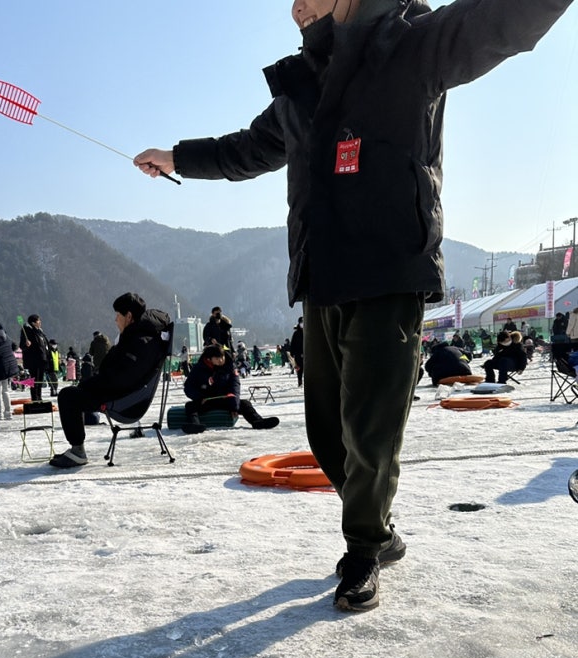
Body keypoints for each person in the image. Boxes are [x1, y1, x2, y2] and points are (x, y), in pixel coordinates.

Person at [134, 0, 573, 612]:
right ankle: (381, 530)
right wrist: (177, 157)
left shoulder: (411, 45)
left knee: (371, 426)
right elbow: (245, 150)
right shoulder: (300, 87)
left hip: (390, 266)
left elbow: (495, 23)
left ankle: (362, 547)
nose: (295, 7)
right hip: (322, 274)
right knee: (326, 432)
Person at [50, 293, 171, 469]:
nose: (115, 320)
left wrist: (91, 384)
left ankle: (77, 452)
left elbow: (121, 378)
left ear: (129, 316)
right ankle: (76, 449)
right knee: (74, 392)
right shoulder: (138, 337)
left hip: (124, 400)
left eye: (118, 315)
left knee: (68, 396)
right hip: (123, 393)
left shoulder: (139, 342)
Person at [181, 344, 280, 434]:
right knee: (190, 406)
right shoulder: (198, 368)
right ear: (209, 359)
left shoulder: (230, 367)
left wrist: (234, 405)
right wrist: (199, 397)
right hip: (206, 400)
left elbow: (235, 386)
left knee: (245, 404)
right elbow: (188, 387)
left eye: (222, 357)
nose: (221, 360)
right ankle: (195, 425)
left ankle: (258, 422)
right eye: (217, 358)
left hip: (225, 399)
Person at [20, 314, 51, 402]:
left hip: (42, 360)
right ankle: (35, 398)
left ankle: (39, 397)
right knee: (35, 380)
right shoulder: (27, 332)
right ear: (33, 323)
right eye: (38, 321)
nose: (40, 322)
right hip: (33, 361)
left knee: (40, 380)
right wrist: (26, 344)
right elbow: (22, 345)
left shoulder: (40, 332)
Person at [289, 319, 304, 387]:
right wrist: (292, 353)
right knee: (299, 369)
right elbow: (293, 344)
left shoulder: (308, 331)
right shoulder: (296, 333)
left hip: (307, 354)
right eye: (301, 323)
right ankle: (300, 381)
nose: (302, 324)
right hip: (298, 354)